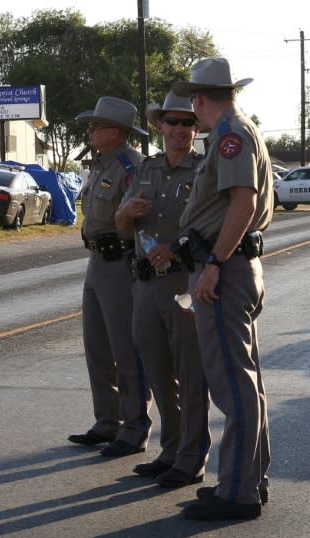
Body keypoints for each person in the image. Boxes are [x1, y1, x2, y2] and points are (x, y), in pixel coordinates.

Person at [172, 57, 273, 520]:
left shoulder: (232, 134)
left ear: (197, 99)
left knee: (233, 385)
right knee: (244, 382)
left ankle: (238, 492)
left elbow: (243, 202)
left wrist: (214, 263)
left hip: (225, 270)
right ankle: (247, 480)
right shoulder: (235, 130)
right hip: (230, 267)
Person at [115, 91, 211, 488]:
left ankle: (192, 459)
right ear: (159, 126)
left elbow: (212, 227)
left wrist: (178, 247)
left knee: (190, 374)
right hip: (145, 284)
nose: (180, 129)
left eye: (188, 122)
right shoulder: (144, 170)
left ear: (196, 127)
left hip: (183, 281)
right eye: (172, 122)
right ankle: (170, 451)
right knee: (158, 372)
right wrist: (124, 213)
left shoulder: (206, 170)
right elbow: (124, 227)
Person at [69, 97, 152, 457]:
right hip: (97, 261)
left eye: (95, 125)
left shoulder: (131, 165)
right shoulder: (101, 165)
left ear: (115, 132)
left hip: (121, 263)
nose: (90, 130)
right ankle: (107, 422)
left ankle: (134, 429)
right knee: (97, 347)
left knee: (125, 349)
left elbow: (140, 220)